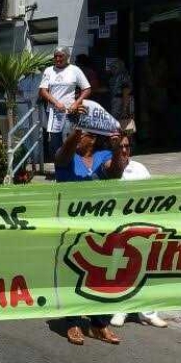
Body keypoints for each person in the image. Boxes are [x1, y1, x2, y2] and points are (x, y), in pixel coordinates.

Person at [55, 126, 122, 345]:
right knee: (73, 273)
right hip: (72, 226)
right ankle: (73, 322)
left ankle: (99, 324)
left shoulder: (103, 157)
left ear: (92, 139)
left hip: (101, 226)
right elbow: (63, 154)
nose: (74, 138)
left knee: (101, 273)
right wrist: (75, 132)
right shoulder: (66, 157)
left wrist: (116, 148)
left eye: (81, 134)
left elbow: (115, 172)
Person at [107, 133, 167, 329]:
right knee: (120, 269)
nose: (124, 150)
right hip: (119, 229)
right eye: (120, 147)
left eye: (127, 146)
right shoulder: (110, 170)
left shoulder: (139, 168)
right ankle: (121, 309)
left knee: (145, 268)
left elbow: (153, 195)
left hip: (142, 226)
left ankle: (148, 312)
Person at [39, 47, 91, 174]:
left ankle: (71, 171)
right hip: (53, 113)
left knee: (67, 142)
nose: (57, 59)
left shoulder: (75, 70)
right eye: (55, 56)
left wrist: (76, 103)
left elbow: (87, 89)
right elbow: (42, 91)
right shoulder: (49, 70)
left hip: (69, 113)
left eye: (60, 56)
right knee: (55, 144)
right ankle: (60, 172)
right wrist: (55, 103)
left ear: (67, 57)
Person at [107, 59, 135, 136]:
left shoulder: (123, 76)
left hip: (122, 102)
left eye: (114, 67)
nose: (112, 69)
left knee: (126, 122)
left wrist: (125, 109)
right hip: (118, 102)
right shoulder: (114, 77)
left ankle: (128, 142)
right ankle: (123, 141)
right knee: (121, 122)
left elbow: (126, 91)